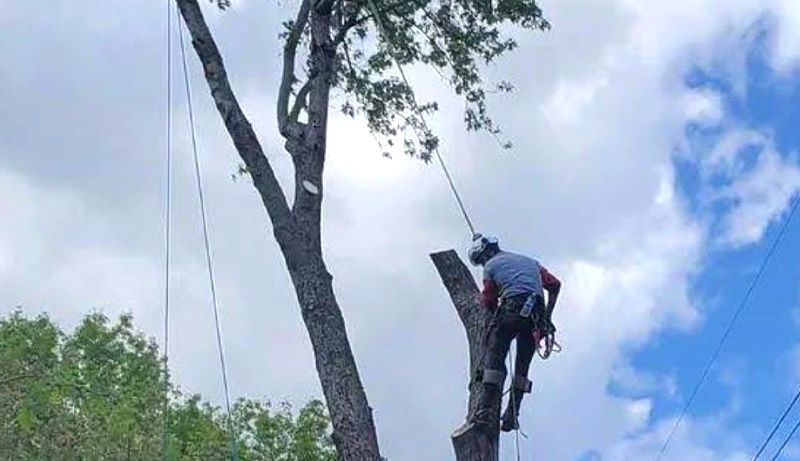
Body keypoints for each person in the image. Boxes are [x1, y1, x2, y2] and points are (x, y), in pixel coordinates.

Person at [467, 234, 561, 432]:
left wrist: (493, 310)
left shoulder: (490, 267)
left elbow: (489, 300)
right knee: (522, 367)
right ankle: (512, 414)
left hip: (511, 310)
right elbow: (554, 285)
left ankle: (484, 410)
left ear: (484, 255)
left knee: (494, 358)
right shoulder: (530, 262)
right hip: (536, 316)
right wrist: (547, 317)